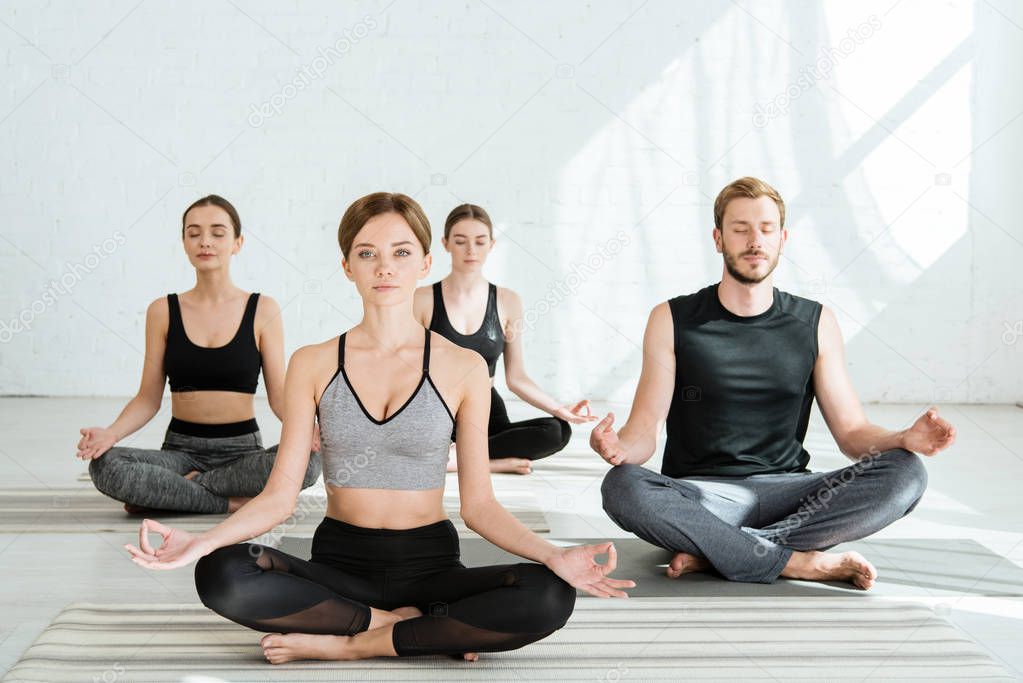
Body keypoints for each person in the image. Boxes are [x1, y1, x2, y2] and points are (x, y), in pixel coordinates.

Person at [124, 192, 634, 664]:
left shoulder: (463, 368)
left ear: (426, 263)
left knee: (549, 593)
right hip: (339, 567)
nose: (385, 267)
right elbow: (280, 497)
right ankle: (408, 629)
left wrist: (555, 555)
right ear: (347, 266)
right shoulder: (314, 362)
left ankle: (351, 645)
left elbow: (479, 507)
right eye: (367, 254)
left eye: (401, 252)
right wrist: (201, 543)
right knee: (221, 573)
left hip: (432, 566)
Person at [593, 177, 954, 589]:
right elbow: (645, 431)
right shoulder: (672, 318)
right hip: (702, 499)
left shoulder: (816, 323)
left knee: (907, 473)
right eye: (740, 228)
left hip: (794, 497)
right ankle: (799, 562)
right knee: (622, 486)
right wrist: (620, 447)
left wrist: (903, 438)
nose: (754, 240)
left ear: (782, 239)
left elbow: (853, 435)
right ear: (718, 238)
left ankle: (721, 553)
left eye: (766, 229)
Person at [78, 195, 320, 514]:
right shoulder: (162, 311)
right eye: (194, 233)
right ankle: (230, 502)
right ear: (184, 242)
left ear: (237, 242)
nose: (205, 241)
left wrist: (308, 431)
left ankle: (175, 495)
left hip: (242, 453)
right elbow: (148, 398)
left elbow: (279, 398)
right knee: (106, 465)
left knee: (308, 465)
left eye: (218, 233)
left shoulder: (263, 310)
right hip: (180, 452)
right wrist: (110, 433)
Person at [414, 203, 596, 475]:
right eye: (460, 241)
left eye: (479, 241)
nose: (471, 250)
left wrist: (561, 409)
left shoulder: (508, 301)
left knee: (556, 430)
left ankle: (456, 459)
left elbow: (516, 377)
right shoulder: (423, 299)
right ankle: (485, 462)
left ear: (492, 244)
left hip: (487, 411)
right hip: (439, 411)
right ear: (445, 244)